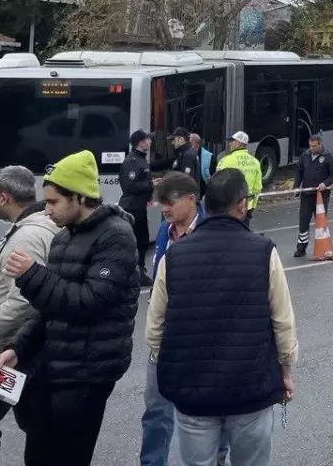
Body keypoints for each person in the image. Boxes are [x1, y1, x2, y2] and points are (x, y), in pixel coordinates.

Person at [0, 150, 140, 466]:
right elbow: (47, 307)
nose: (46, 211)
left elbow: (88, 301)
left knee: (67, 457)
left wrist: (32, 275)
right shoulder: (62, 238)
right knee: (37, 455)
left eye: (53, 202)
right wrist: (19, 347)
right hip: (52, 366)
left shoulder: (117, 236)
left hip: (88, 372)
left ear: (79, 197)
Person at [148, 169, 297, 466]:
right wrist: (286, 371)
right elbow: (282, 321)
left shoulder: (173, 257)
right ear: (241, 204)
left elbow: (154, 328)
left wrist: (167, 365)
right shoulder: (264, 251)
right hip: (251, 390)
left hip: (193, 394)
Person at [0, 165, 58, 466]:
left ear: (4, 198)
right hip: (20, 346)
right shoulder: (34, 227)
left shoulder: (28, 236)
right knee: (34, 424)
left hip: (9, 348)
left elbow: (23, 299)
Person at [141, 172, 207, 466]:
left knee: (207, 409)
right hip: (165, 336)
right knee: (156, 408)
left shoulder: (212, 230)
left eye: (169, 202)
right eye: (160, 203)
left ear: (192, 200)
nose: (164, 209)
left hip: (201, 337)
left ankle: (216, 456)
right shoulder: (165, 231)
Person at [121, 129, 168, 286]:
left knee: (143, 240)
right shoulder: (132, 161)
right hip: (131, 208)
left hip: (139, 207)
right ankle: (134, 273)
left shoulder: (141, 159)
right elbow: (129, 186)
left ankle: (138, 271)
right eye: (148, 139)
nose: (150, 142)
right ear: (140, 143)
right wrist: (150, 184)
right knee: (137, 241)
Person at [294, 133, 333, 257]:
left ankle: (324, 248)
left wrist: (325, 183)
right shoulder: (305, 155)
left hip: (321, 196)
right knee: (303, 221)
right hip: (306, 195)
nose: (312, 149)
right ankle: (301, 248)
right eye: (310, 146)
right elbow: (299, 171)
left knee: (320, 222)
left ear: (320, 144)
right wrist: (297, 186)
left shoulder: (328, 156)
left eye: (314, 146)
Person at [215, 131, 262, 228]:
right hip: (246, 208)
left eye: (232, 141)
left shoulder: (226, 160)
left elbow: (217, 184)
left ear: (239, 143)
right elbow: (258, 187)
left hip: (229, 207)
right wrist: (251, 207)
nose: (229, 143)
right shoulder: (255, 162)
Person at [170, 127, 204, 194]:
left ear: (181, 139)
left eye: (174, 139)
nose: (172, 142)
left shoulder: (187, 155)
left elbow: (186, 181)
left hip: (184, 198)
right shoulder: (185, 153)